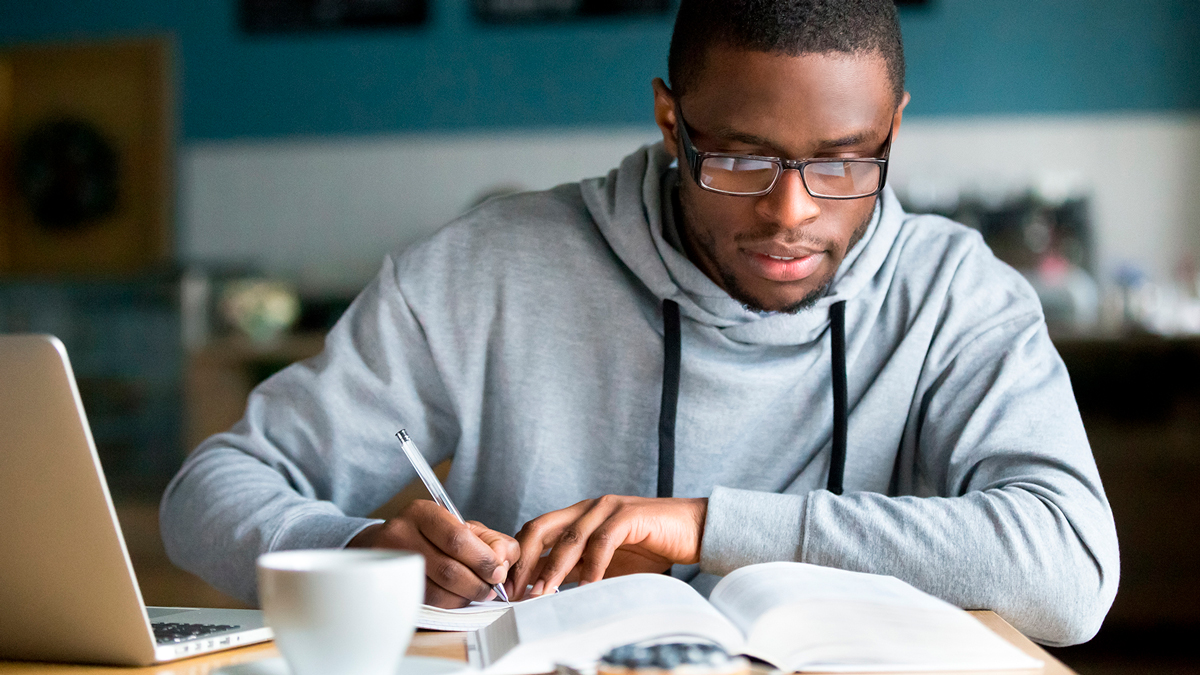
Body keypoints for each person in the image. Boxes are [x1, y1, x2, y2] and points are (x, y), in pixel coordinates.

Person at [161, 0, 1119, 647]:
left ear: (894, 129)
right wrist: (358, 547)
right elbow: (210, 490)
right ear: (672, 123)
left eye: (843, 162)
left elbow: (1072, 572)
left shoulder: (957, 295)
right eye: (741, 160)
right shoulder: (485, 267)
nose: (792, 213)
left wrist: (700, 525)